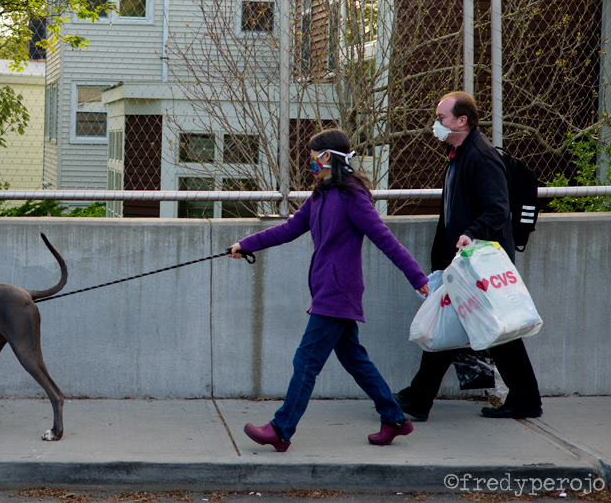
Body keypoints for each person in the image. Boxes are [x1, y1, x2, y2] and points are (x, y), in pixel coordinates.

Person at [229, 128, 430, 452]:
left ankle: (281, 429)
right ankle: (393, 417)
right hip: (328, 290)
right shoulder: (321, 194)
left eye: (314, 156)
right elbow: (289, 229)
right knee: (355, 360)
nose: (311, 161)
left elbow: (385, 239)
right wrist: (245, 244)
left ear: (328, 157)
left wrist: (417, 277)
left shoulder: (352, 196)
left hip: (338, 293)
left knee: (305, 361)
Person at [394, 91, 543, 421]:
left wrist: (471, 233)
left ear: (462, 120)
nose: (437, 124)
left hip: (477, 260)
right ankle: (524, 399)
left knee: (481, 327)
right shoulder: (460, 153)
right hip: (464, 261)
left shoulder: (481, 156)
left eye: (441, 118)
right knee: (472, 325)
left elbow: (497, 208)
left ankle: (419, 399)